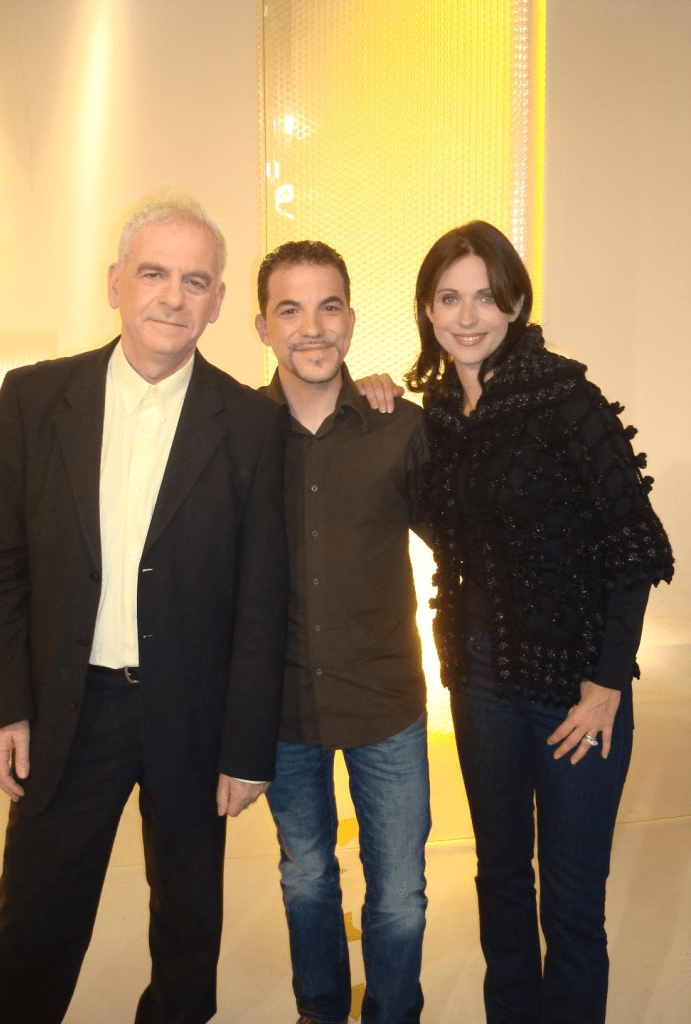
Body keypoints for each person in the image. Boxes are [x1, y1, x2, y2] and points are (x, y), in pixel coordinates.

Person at [0, 190, 288, 1024]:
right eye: (153, 274)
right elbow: (2, 568)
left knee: (188, 929)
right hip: (68, 708)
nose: (172, 297)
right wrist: (9, 706)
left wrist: (247, 746)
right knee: (35, 920)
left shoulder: (253, 427)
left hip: (193, 715)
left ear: (218, 302)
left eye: (195, 281)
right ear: (115, 282)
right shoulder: (34, 401)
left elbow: (263, 603)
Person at [405, 220, 673, 1024]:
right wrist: (374, 399)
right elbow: (439, 524)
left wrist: (605, 685)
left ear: (516, 303)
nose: (468, 316)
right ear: (427, 309)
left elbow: (637, 547)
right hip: (481, 685)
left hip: (573, 690)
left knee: (572, 900)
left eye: (486, 296)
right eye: (449, 298)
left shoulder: (565, 399)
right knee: (499, 879)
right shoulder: (437, 417)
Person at [254, 240, 432, 1024]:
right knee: (306, 880)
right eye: (290, 309)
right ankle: (320, 1011)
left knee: (400, 895)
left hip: (385, 701)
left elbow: (469, 545)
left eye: (328, 307)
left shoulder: (401, 427)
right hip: (282, 708)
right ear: (263, 327)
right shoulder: (237, 432)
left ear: (352, 321)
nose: (312, 327)